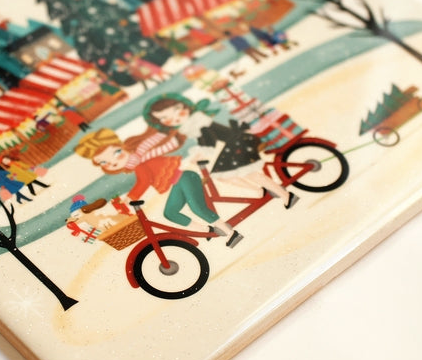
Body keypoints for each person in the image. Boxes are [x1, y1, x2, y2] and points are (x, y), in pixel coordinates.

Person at [74, 128, 242, 246]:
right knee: (170, 213)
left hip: (186, 177)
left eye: (117, 153)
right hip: (178, 183)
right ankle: (206, 230)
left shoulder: (139, 162)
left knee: (197, 208)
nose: (113, 162)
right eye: (104, 162)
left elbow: (144, 181)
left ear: (122, 147)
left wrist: (130, 197)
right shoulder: (137, 162)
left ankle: (230, 233)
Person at [144, 94, 298, 209]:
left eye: (177, 110)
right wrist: (200, 153)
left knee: (248, 173)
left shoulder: (197, 119)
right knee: (223, 177)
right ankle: (259, 190)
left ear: (185, 106)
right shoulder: (187, 126)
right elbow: (205, 141)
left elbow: (209, 138)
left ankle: (286, 195)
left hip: (237, 143)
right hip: (228, 147)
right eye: (164, 118)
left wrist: (202, 153)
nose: (174, 118)